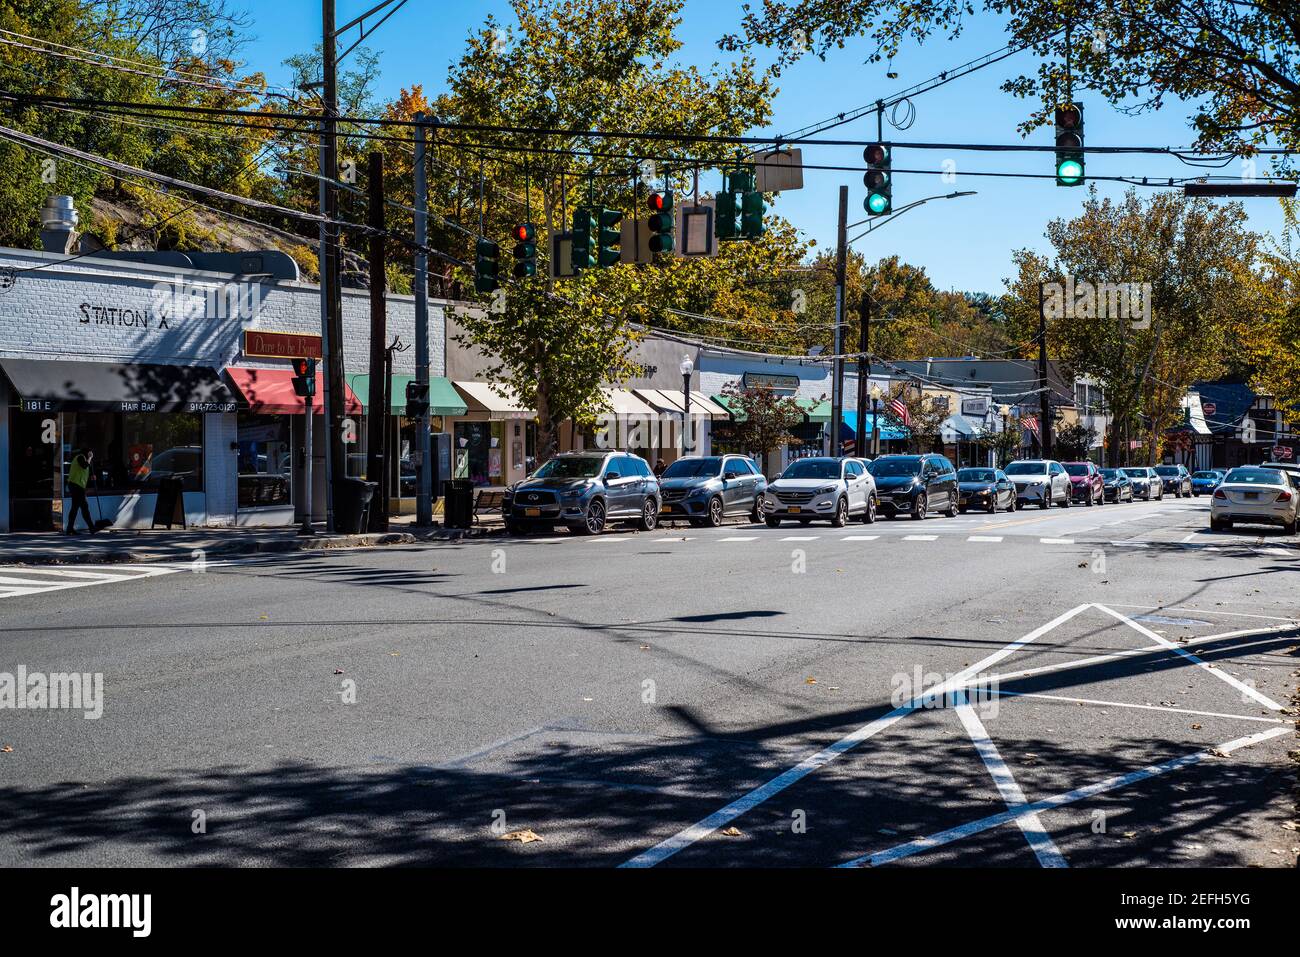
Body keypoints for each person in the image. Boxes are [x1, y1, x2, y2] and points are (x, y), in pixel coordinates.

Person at [65, 448, 96, 535]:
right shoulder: (80, 457)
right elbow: (84, 465)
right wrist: (90, 458)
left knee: (76, 507)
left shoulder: (84, 460)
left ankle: (70, 528)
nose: (90, 455)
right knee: (84, 507)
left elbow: (83, 472)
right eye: (89, 453)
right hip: (76, 485)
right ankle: (91, 527)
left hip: (78, 486)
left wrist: (91, 478)